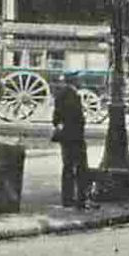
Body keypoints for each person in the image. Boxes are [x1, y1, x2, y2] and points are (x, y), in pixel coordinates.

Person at [50, 71, 88, 208]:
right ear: (73, 81)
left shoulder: (61, 94)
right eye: (78, 79)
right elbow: (75, 117)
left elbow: (56, 118)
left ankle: (68, 198)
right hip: (75, 136)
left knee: (67, 167)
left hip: (66, 136)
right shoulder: (72, 95)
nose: (80, 81)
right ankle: (80, 199)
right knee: (80, 167)